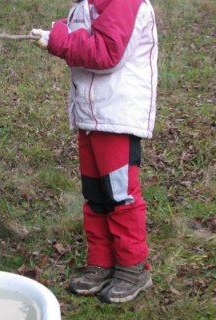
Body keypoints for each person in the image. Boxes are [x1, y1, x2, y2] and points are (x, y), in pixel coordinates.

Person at [30, 0, 158, 304]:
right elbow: (84, 33)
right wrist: (58, 29)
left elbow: (107, 53)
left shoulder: (124, 2)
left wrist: (58, 40)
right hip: (92, 114)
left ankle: (132, 268)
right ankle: (101, 262)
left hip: (116, 115)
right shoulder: (87, 4)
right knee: (96, 193)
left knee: (120, 195)